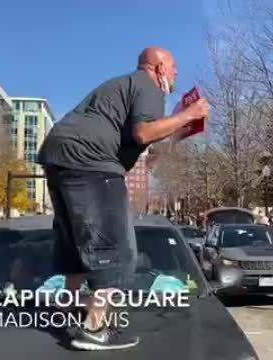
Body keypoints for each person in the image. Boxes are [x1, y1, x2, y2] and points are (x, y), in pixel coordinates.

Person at [37, 47, 210, 351]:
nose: (176, 73)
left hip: (59, 158)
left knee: (76, 246)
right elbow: (144, 133)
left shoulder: (123, 88)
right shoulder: (148, 86)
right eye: (172, 67)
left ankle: (72, 313)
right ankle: (95, 329)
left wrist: (181, 127)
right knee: (115, 249)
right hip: (91, 163)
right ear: (157, 68)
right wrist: (190, 113)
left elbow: (147, 141)